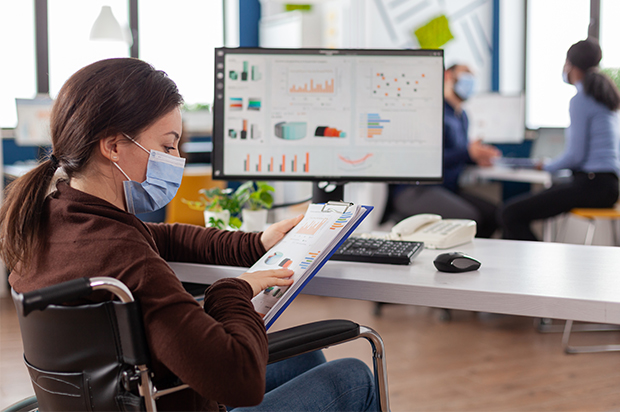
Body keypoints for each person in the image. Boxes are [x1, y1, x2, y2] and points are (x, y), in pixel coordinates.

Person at [0, 58, 378, 412]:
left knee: (302, 355)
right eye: (167, 145)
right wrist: (233, 290)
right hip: (184, 398)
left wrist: (256, 243)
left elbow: (160, 237)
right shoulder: (127, 260)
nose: (176, 157)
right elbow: (239, 382)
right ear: (113, 145)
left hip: (138, 398)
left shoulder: (48, 220)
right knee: (353, 376)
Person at [500, 38, 620, 241]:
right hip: (608, 186)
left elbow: (576, 156)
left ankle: (534, 265)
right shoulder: (604, 96)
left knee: (509, 214)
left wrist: (545, 166)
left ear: (572, 66)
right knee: (530, 204)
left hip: (593, 185)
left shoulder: (582, 99)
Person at [384, 64, 501, 238]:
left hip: (447, 188)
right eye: (465, 75)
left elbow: (457, 152)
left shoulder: (462, 116)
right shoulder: (432, 112)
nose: (470, 82)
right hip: (417, 190)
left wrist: (477, 156)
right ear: (448, 76)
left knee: (495, 215)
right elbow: (428, 159)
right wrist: (468, 153)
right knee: (470, 219)